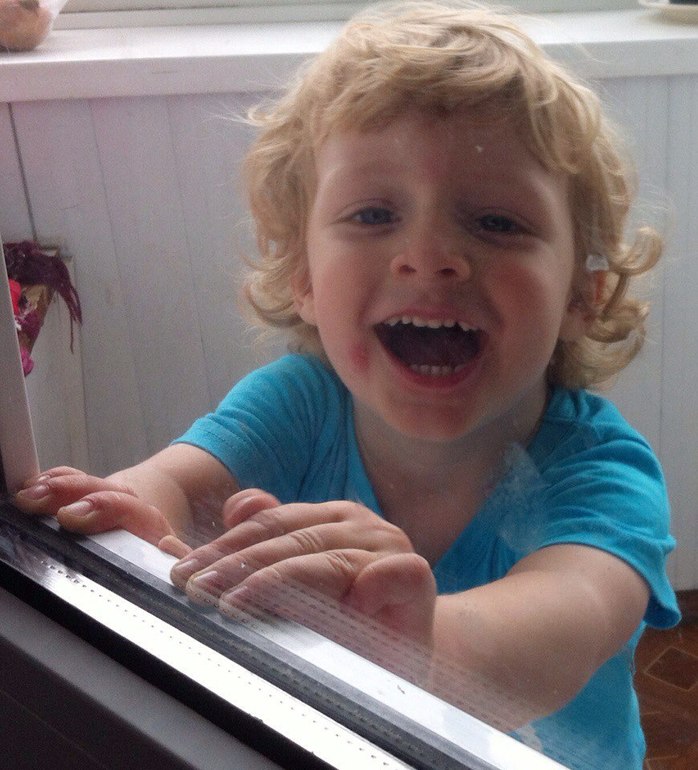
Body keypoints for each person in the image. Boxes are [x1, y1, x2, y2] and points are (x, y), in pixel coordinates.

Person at [15, 2, 680, 767]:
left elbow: (564, 624)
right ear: (303, 275)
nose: (429, 255)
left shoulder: (603, 475)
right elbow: (170, 488)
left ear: (580, 296)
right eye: (373, 213)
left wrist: (417, 648)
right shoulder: (297, 404)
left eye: (497, 222)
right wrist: (125, 519)